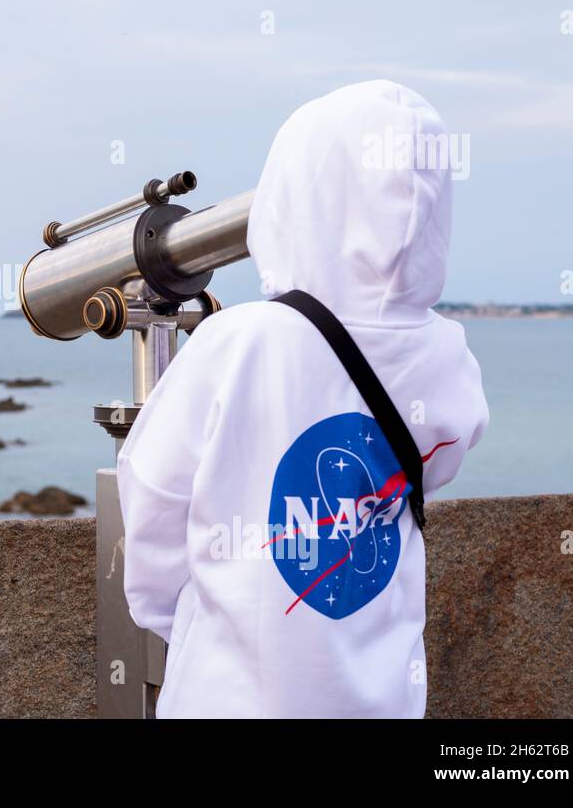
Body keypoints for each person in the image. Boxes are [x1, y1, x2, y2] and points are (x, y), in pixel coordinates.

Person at [117, 80, 489, 718]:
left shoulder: (238, 341)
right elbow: (432, 463)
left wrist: (200, 625)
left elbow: (153, 502)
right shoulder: (447, 356)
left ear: (294, 195)